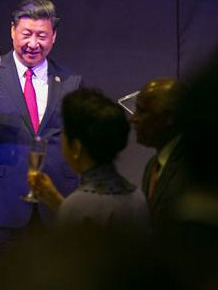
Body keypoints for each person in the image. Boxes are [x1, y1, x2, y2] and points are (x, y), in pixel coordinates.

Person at [0, 0, 82, 256]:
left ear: (54, 37)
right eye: (26, 34)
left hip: (58, 200)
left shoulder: (71, 81)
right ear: (12, 31)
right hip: (7, 202)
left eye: (42, 36)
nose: (33, 44)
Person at [28, 89, 149, 231]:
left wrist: (65, 208)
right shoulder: (137, 197)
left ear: (76, 148)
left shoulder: (78, 205)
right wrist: (56, 200)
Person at [130, 78, 186, 232]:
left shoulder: (192, 169)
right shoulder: (153, 166)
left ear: (169, 117)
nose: (133, 119)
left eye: (142, 111)